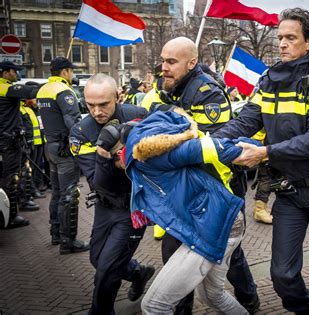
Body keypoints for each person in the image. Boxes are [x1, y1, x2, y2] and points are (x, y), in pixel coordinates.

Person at [213, 8, 309, 313]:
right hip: (289, 192)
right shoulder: (269, 79)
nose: (282, 44)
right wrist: (207, 142)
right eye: (280, 38)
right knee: (282, 275)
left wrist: (265, 153)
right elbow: (245, 122)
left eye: (291, 37)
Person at [141, 37, 260, 314]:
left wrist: (161, 143)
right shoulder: (169, 87)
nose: (163, 67)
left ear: (192, 62)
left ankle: (249, 301)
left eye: (171, 62)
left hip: (216, 188)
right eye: (162, 60)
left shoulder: (207, 93)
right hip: (186, 189)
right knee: (175, 253)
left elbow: (205, 147)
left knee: (231, 255)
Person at [124, 109, 258, 314]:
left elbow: (206, 147)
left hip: (215, 225)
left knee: (153, 305)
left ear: (122, 152)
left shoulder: (151, 158)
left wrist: (258, 151)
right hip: (218, 221)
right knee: (213, 295)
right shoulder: (146, 159)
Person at [69, 74, 154, 314]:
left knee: (106, 270)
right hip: (105, 206)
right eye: (90, 105)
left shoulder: (139, 114)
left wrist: (124, 157)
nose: (96, 111)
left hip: (134, 206)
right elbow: (98, 182)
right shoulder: (80, 132)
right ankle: (138, 272)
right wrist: (104, 155)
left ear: (118, 96)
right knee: (97, 259)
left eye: (103, 104)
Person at [36, 56, 89, 254]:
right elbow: (73, 121)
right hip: (65, 149)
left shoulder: (43, 90)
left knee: (57, 192)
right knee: (69, 194)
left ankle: (56, 233)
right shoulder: (64, 91)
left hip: (50, 147)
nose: (72, 74)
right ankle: (68, 241)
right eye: (71, 71)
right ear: (65, 71)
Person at [0, 61, 38, 228]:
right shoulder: (4, 87)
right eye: (14, 72)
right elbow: (29, 91)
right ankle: (10, 216)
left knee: (10, 176)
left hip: (6, 139)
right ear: (5, 73)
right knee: (11, 177)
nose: (17, 75)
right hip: (8, 140)